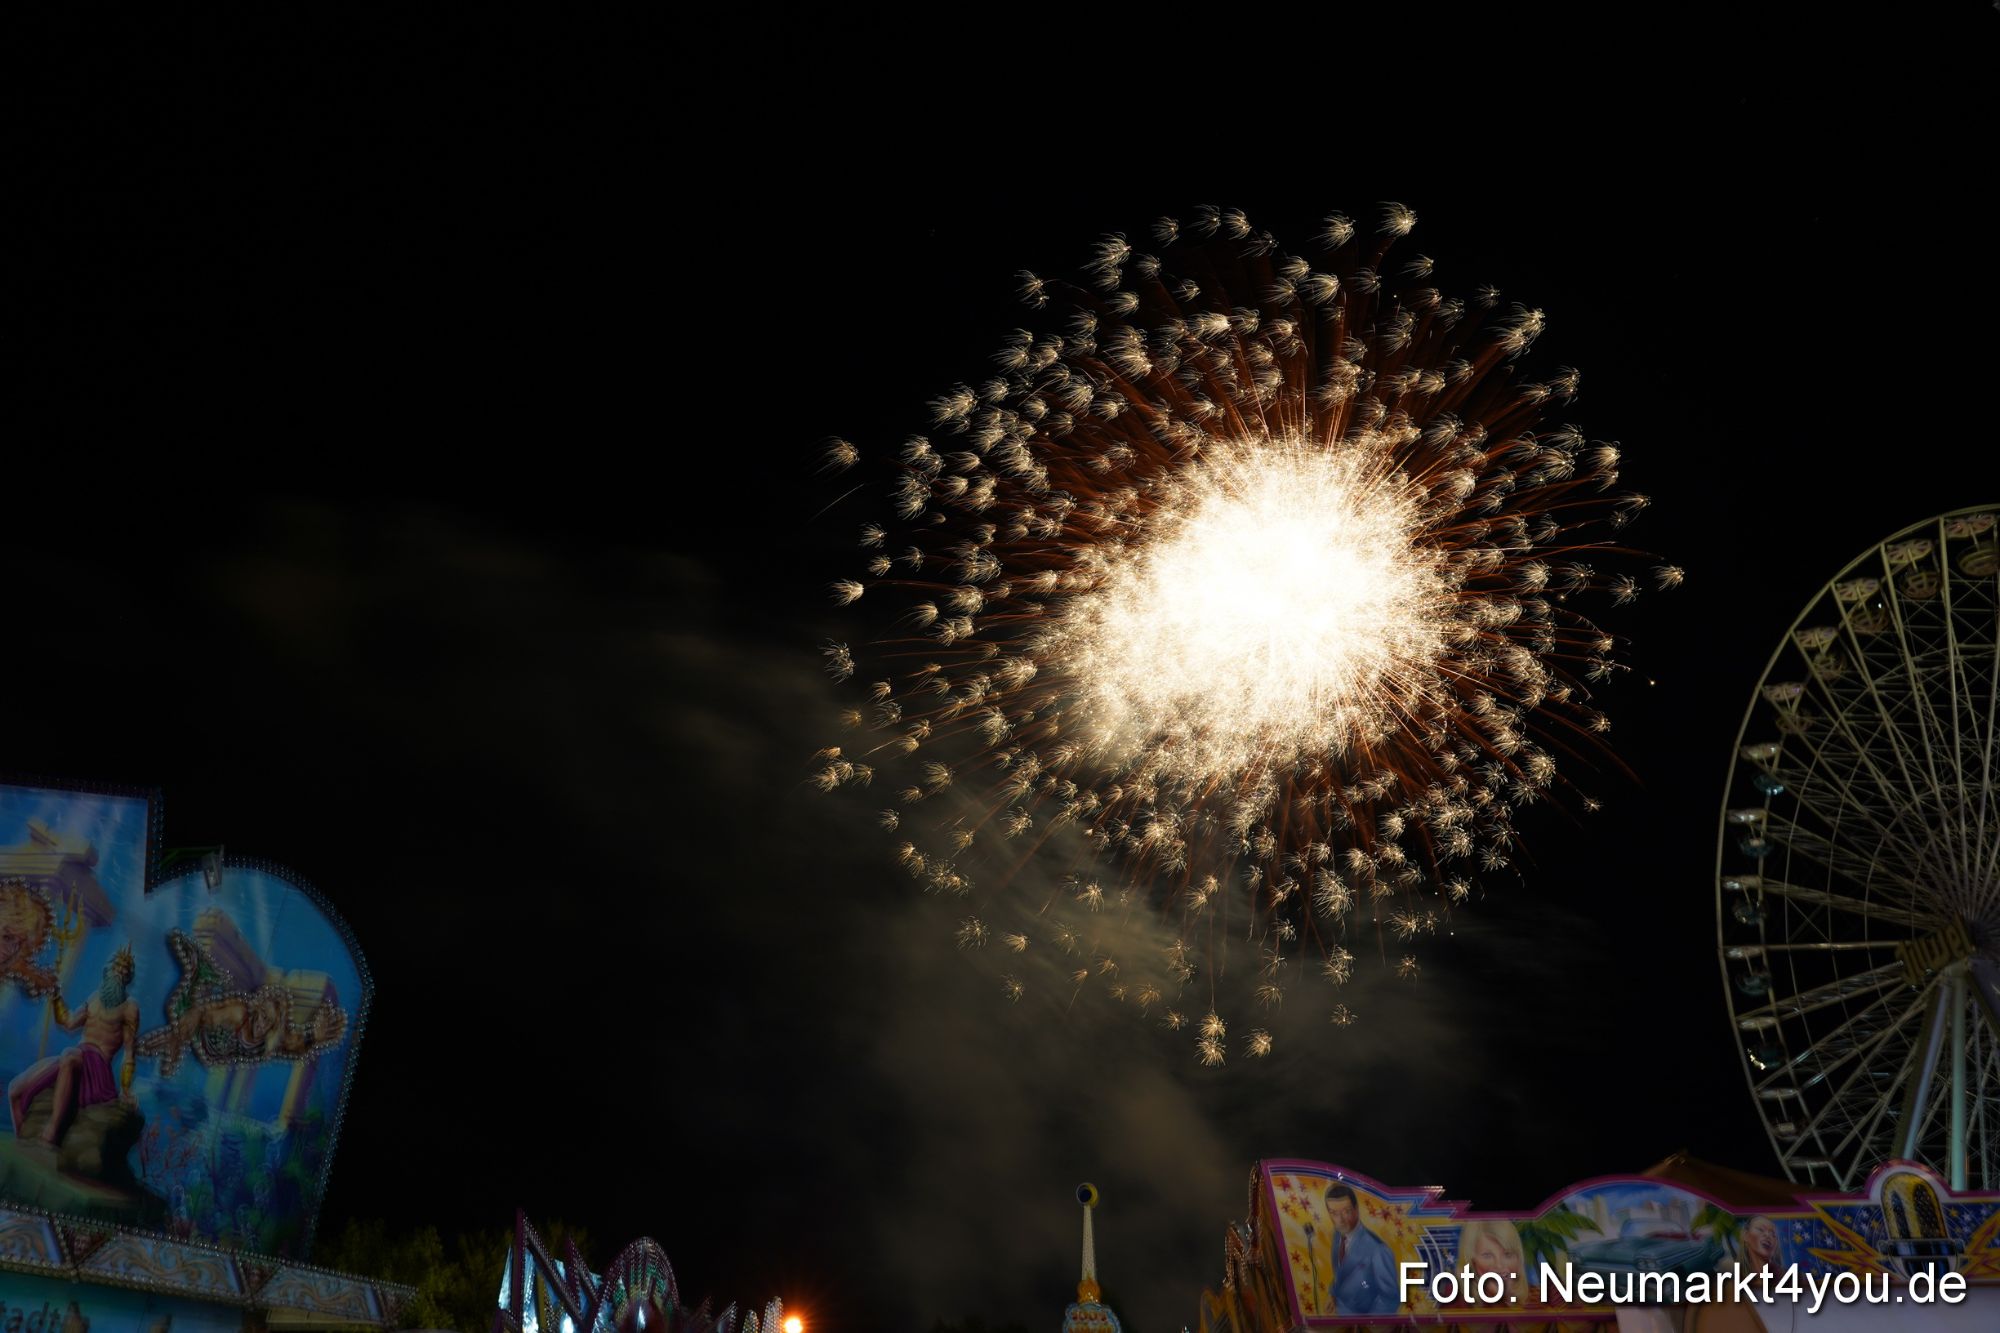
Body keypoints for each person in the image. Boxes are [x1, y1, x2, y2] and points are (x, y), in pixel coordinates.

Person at [7, 945, 139, 1145]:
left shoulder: (130, 1008)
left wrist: (126, 1089)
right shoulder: (94, 999)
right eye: (117, 967)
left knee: (68, 1055)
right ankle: (21, 1140)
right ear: (108, 970)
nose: (120, 972)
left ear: (128, 978)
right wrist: (56, 996)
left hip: (97, 1067)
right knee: (14, 1090)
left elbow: (129, 1053)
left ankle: (52, 1131)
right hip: (77, 1056)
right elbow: (68, 1023)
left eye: (124, 970)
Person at [1324, 1183, 1398, 1316]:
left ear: (1356, 1209)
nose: (1340, 1220)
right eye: (1334, 1213)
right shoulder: (1338, 1236)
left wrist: (1367, 1324)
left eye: (1346, 1211)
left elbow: (1390, 1299)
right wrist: (1333, 1294)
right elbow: (1341, 1273)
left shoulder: (1377, 1249)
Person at [1456, 1218, 1532, 1308]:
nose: (1499, 1265)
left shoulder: (1535, 1300)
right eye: (1487, 1256)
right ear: (1471, 1261)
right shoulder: (1454, 1301)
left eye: (1507, 1254)